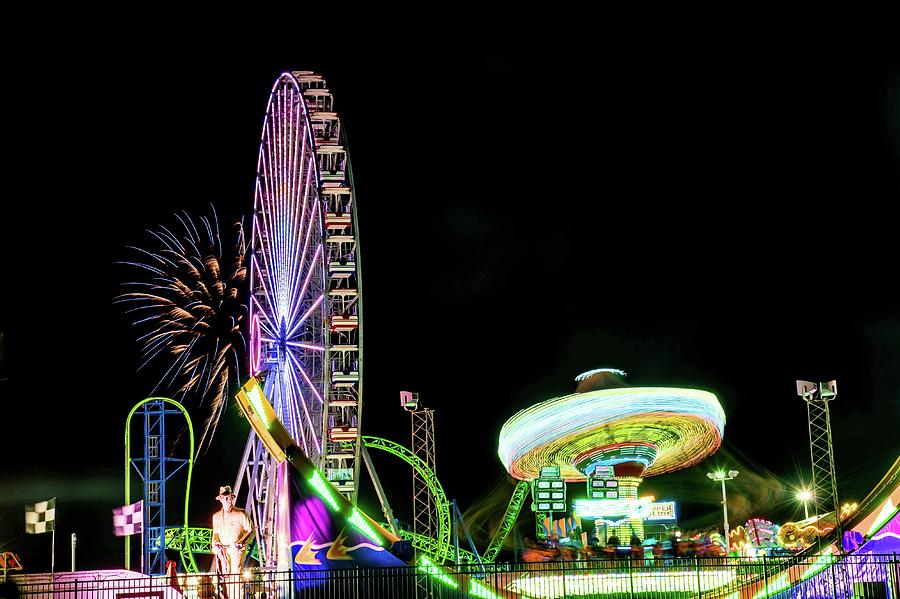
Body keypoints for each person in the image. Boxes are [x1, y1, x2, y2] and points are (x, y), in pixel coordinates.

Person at [212, 485, 253, 596]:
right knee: (226, 576)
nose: (228, 500)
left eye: (230, 497)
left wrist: (241, 542)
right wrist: (215, 543)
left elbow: (251, 531)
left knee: (236, 574)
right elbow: (215, 533)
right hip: (223, 551)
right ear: (220, 499)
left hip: (235, 549)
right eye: (226, 497)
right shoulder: (215, 517)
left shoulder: (241, 513)